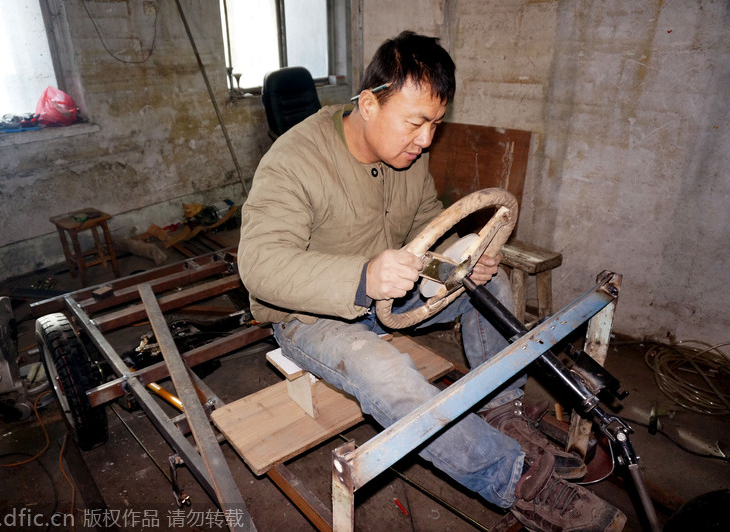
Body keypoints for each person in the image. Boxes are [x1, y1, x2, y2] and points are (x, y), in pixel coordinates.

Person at [238, 31, 626, 532]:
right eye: (416, 123)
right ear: (371, 103)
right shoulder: (294, 161)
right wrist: (361, 278)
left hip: (395, 295)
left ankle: (501, 414)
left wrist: (462, 261)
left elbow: (426, 222)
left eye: (435, 125)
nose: (425, 141)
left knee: (493, 289)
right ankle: (518, 481)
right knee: (389, 375)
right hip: (312, 316)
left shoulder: (408, 157)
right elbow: (260, 265)